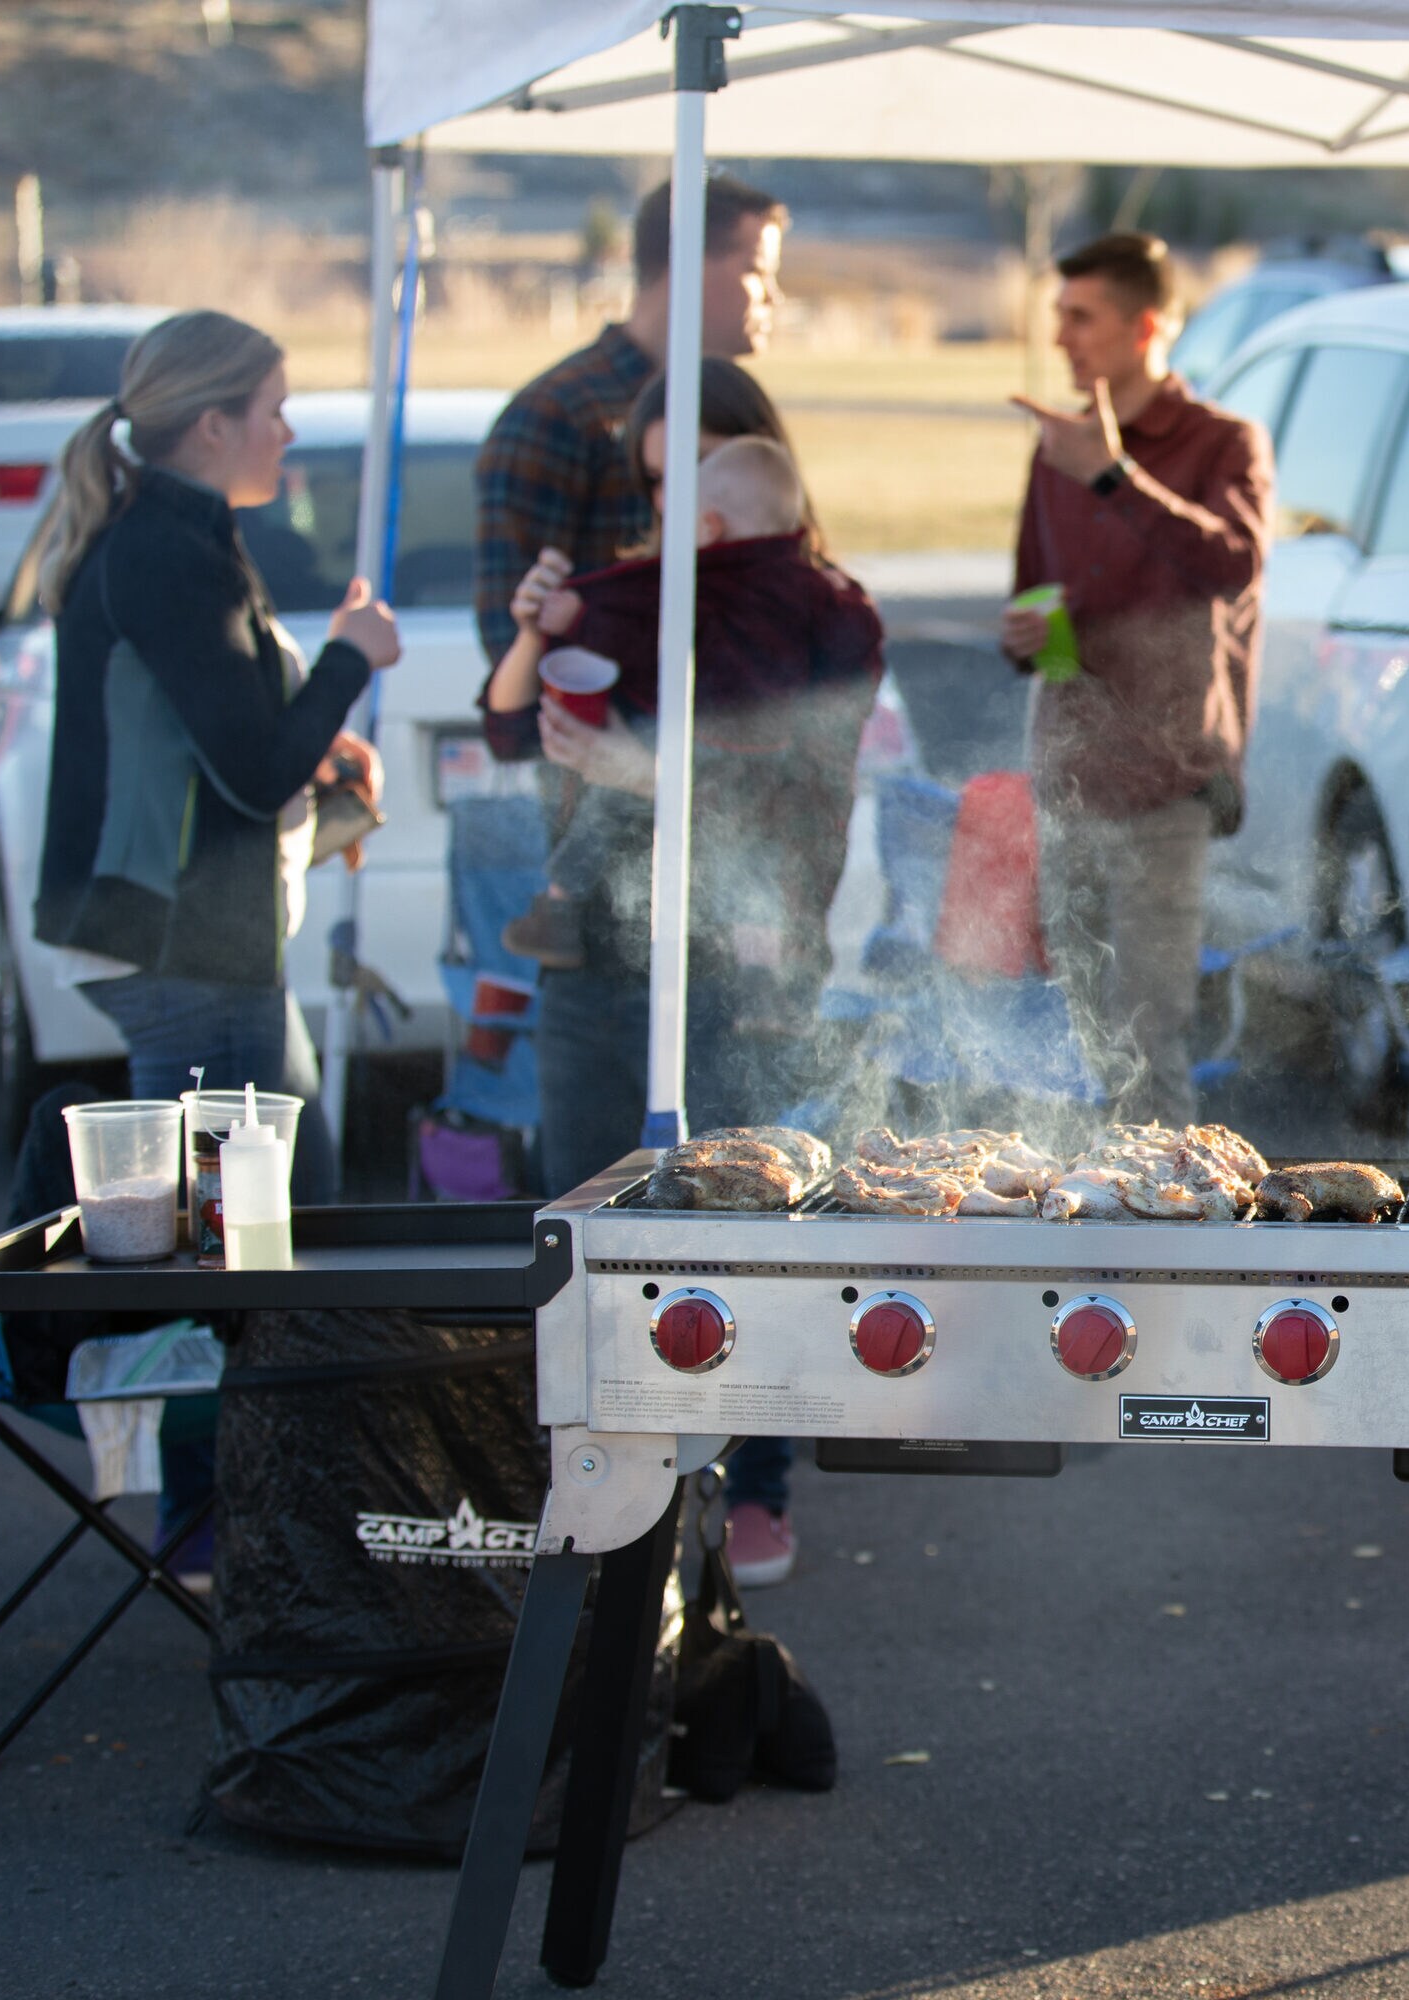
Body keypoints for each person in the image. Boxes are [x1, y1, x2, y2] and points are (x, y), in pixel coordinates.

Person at [484, 365, 882, 1587]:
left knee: (743, 1221)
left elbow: (784, 774)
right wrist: (534, 629)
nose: (667, 505)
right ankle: (600, 1470)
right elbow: (507, 724)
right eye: (656, 481)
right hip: (602, 952)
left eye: (689, 479)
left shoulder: (821, 610)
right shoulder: (628, 598)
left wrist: (638, 765)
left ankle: (752, 1480)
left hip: (745, 959)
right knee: (586, 1218)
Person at [31, 309, 403, 1581]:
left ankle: (243, 1511)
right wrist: (348, 663)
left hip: (200, 935)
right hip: (187, 945)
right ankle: (214, 1521)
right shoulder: (167, 555)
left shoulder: (178, 542)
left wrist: (328, 777)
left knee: (270, 1222)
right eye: (276, 408)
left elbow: (226, 754)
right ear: (211, 424)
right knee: (237, 1241)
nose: (291, 432)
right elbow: (250, 764)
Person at [998, 231, 1272, 1130]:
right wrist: (1026, 633)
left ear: (1147, 326)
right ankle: (1080, 1218)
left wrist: (1115, 477)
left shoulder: (1221, 443)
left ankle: (1162, 1236)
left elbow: (1232, 562)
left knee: (1149, 1032)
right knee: (1074, 1030)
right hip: (1071, 774)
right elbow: (1034, 595)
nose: (1065, 338)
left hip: (1166, 780)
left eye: (1082, 318)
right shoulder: (1058, 450)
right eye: (1059, 317)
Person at [497, 438, 823, 969]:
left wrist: (581, 620)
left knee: (609, 798)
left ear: (710, 527)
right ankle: (757, 948)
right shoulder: (797, 587)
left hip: (716, 749)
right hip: (750, 757)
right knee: (749, 859)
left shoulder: (721, 588)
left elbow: (663, 640)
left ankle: (561, 901)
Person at [474, 172, 787, 667]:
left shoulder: (733, 411)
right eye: (756, 271)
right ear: (689, 267)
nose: (774, 297)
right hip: (600, 732)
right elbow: (511, 634)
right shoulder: (559, 414)